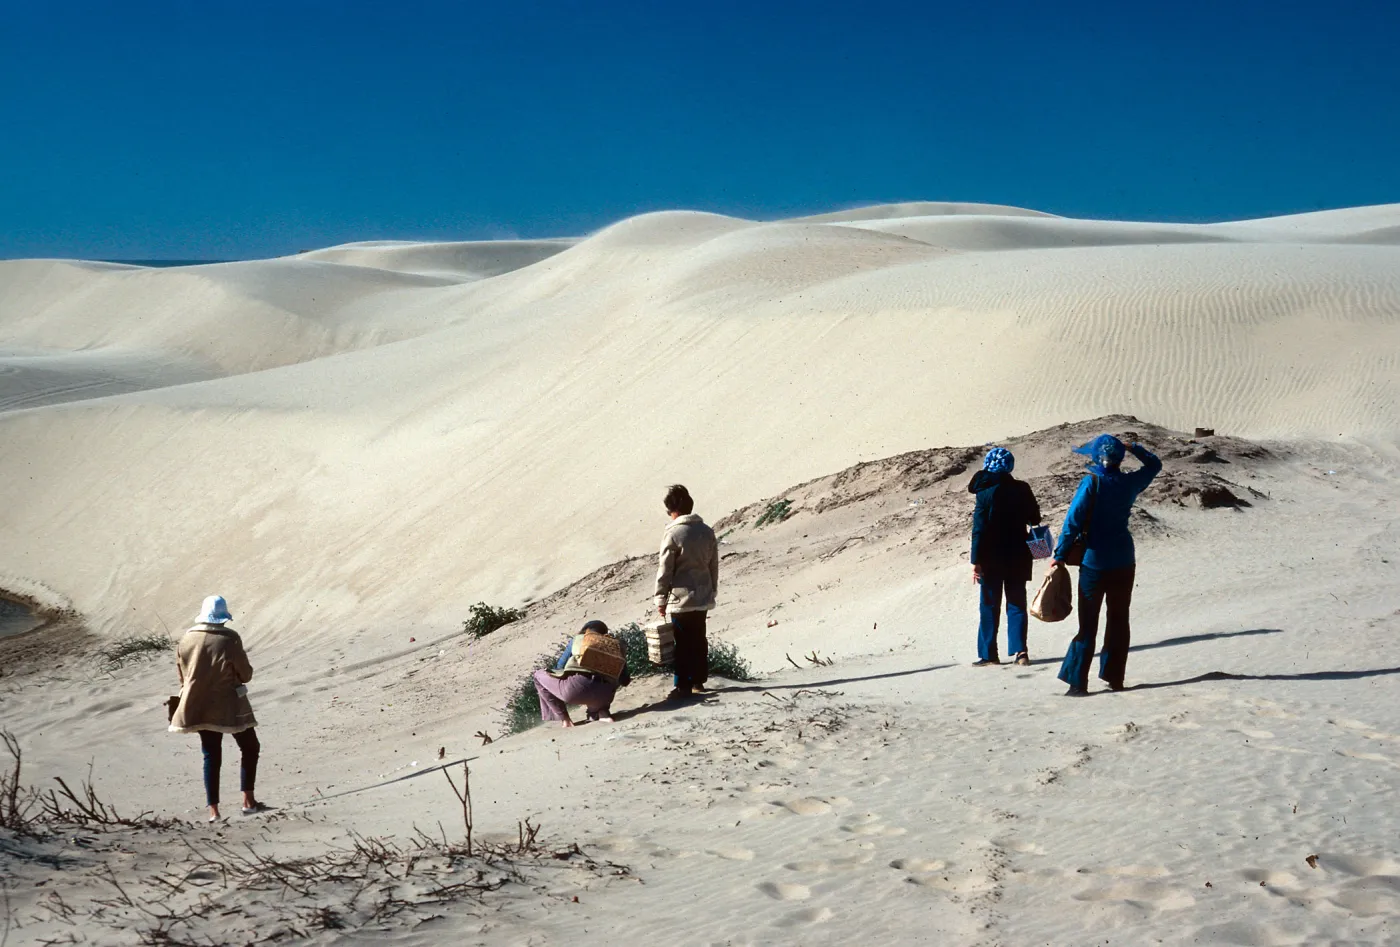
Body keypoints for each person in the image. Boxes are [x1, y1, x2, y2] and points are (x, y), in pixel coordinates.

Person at [1052, 435, 1162, 695]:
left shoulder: (1092, 482)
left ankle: (1078, 682)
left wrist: (1059, 555)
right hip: (1124, 559)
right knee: (1119, 619)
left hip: (1095, 562)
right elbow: (1155, 465)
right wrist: (1133, 446)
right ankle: (1115, 678)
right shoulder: (1129, 482)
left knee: (1088, 623)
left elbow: (1073, 522)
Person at [168, 595, 267, 821]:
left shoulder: (186, 639)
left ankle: (214, 812)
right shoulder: (229, 639)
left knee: (211, 754)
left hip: (197, 704)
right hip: (229, 704)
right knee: (250, 747)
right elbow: (246, 674)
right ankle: (248, 802)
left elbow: (182, 676)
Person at [968, 447, 1042, 666]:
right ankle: (1021, 652)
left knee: (990, 606)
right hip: (1019, 555)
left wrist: (976, 562)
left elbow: (978, 530)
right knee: (1017, 604)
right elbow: (1035, 518)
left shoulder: (984, 493)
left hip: (991, 557)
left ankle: (989, 655)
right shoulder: (1022, 488)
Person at [655, 484, 719, 700]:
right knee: (699, 638)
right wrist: (713, 590)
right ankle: (698, 681)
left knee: (681, 642)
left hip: (680, 599)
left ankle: (682, 685)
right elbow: (713, 566)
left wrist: (660, 598)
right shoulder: (707, 531)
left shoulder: (673, 533)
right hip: (702, 595)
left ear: (674, 511)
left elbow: (665, 569)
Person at [532, 620, 632, 726]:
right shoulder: (614, 646)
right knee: (605, 684)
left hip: (576, 690)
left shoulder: (578, 639)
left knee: (538, 675)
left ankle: (565, 720)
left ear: (586, 630)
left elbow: (559, 667)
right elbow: (625, 680)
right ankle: (602, 712)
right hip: (605, 696)